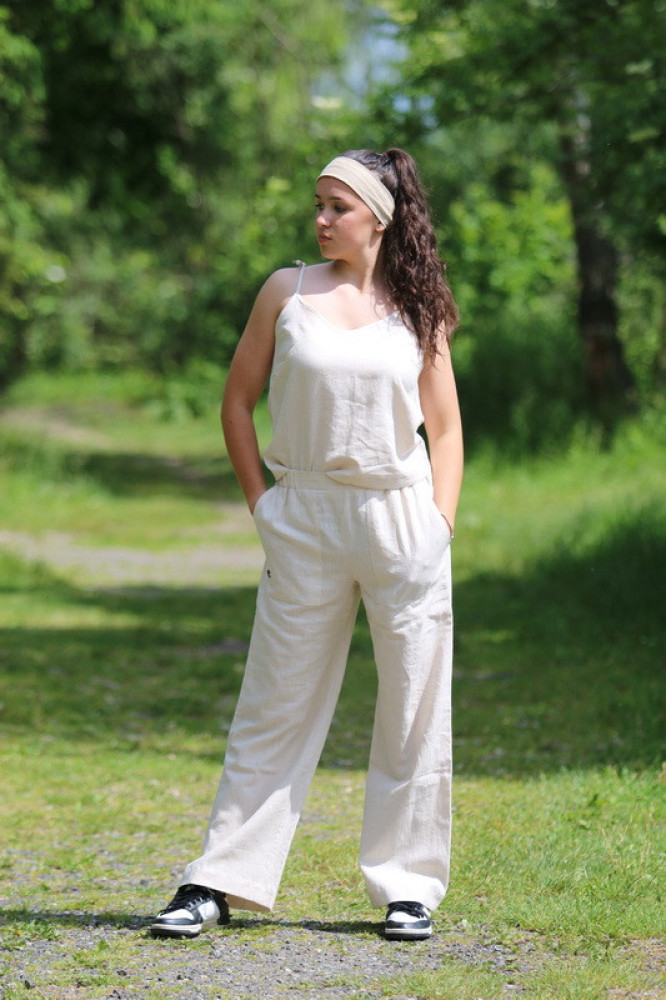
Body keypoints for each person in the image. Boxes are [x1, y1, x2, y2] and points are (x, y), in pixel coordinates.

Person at [150, 147, 463, 942]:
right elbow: (236, 402)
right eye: (318, 204)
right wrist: (265, 508)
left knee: (414, 709)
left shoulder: (418, 307)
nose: (321, 219)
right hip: (305, 518)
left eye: (337, 206)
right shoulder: (285, 292)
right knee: (273, 703)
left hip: (400, 521)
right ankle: (217, 880)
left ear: (379, 218)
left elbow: (446, 427)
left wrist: (439, 524)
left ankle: (408, 888)